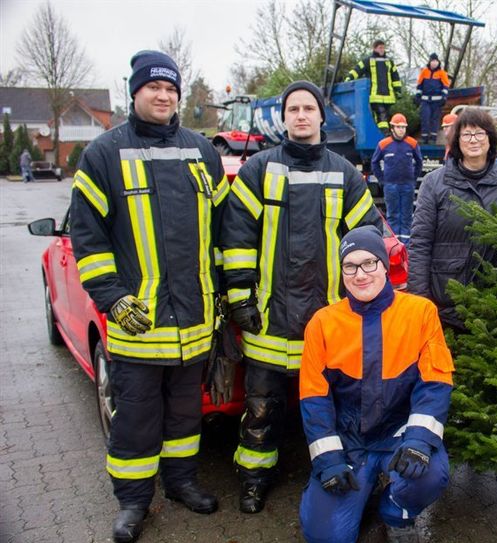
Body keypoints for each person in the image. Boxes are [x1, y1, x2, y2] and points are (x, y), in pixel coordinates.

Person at [69, 50, 227, 543]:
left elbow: (224, 232)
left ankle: (180, 482)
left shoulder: (203, 152)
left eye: (171, 89)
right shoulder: (102, 154)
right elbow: (88, 241)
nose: (163, 96)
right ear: (135, 92)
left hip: (196, 322)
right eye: (153, 88)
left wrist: (222, 296)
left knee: (185, 414)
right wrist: (113, 298)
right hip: (140, 323)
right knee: (136, 418)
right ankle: (133, 501)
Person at [219, 80, 381, 514]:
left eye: (309, 108)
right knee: (260, 411)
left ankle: (339, 480)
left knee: (335, 410)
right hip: (268, 320)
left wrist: (361, 298)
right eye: (294, 109)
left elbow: (368, 238)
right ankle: (253, 480)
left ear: (321, 116)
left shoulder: (345, 173)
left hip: (328, 321)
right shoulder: (258, 170)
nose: (302, 115)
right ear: (284, 117)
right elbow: (236, 236)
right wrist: (240, 297)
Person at [299, 225, 453, 543]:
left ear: (385, 265)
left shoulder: (420, 313)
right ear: (341, 272)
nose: (360, 274)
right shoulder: (323, 324)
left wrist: (419, 441)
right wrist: (328, 461)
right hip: (350, 442)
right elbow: (314, 399)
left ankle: (395, 511)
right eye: (350, 266)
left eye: (370, 262)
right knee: (325, 537)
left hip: (399, 435)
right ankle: (357, 488)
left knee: (429, 475)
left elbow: (435, 383)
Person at [409, 108, 497, 331]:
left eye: (480, 133)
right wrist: (419, 299)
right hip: (445, 301)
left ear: (490, 139)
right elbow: (420, 243)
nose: (474, 140)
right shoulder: (434, 183)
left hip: (493, 303)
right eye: (466, 134)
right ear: (457, 141)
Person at [371, 113, 423, 243]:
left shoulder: (412, 143)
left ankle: (405, 245)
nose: (401, 130)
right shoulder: (383, 144)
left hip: (407, 185)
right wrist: (382, 180)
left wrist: (413, 178)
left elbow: (419, 162)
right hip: (390, 186)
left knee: (406, 216)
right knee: (393, 215)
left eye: (403, 127)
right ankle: (393, 244)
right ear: (392, 128)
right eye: (399, 127)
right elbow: (374, 162)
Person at [345, 39, 403, 132]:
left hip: (388, 96)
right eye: (380, 48)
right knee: (381, 114)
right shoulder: (368, 61)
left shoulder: (389, 62)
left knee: (385, 116)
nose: (382, 50)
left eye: (383, 48)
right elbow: (357, 70)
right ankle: (384, 133)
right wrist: (349, 79)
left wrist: (398, 90)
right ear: (374, 48)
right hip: (375, 96)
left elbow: (395, 77)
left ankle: (382, 132)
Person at [415, 53, 450, 144]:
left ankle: (433, 138)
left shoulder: (442, 73)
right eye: (432, 61)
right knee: (425, 118)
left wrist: (444, 97)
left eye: (435, 61)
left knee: (435, 119)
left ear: (438, 62)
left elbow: (445, 86)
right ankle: (424, 138)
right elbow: (419, 85)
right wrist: (418, 95)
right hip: (425, 100)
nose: (434, 63)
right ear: (429, 62)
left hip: (437, 101)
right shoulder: (424, 72)